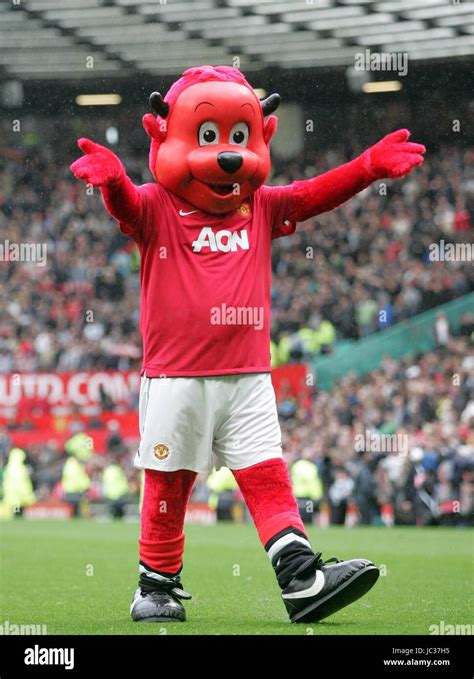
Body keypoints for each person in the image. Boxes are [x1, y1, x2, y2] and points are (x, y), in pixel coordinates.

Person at [71, 64, 424, 624]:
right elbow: (126, 208)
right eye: (209, 137)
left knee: (266, 474)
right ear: (164, 133)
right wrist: (114, 181)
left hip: (249, 376)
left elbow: (310, 195)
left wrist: (366, 168)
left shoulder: (257, 206)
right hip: (175, 376)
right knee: (170, 483)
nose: (228, 155)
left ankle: (301, 581)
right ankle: (155, 586)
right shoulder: (158, 206)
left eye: (240, 138)